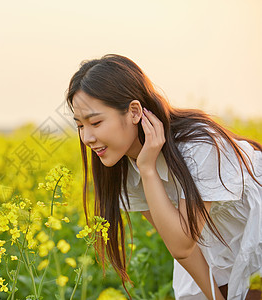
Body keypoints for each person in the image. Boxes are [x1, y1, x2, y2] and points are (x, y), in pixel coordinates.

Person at [66, 54, 262, 300]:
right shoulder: (122, 167)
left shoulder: (198, 147)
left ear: (134, 112)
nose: (87, 138)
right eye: (80, 126)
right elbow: (180, 247)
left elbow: (182, 244)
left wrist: (148, 169)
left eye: (95, 122)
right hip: (218, 248)